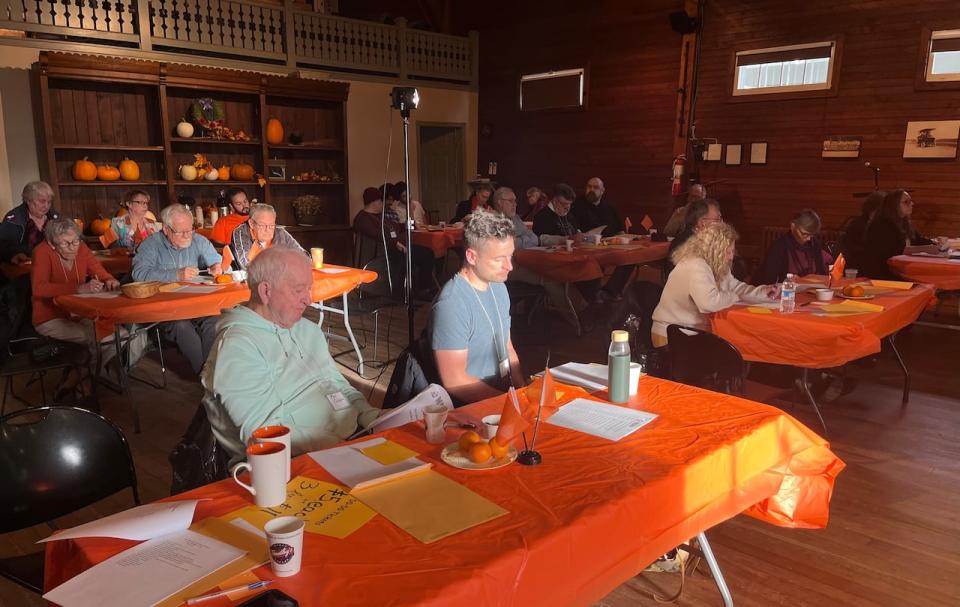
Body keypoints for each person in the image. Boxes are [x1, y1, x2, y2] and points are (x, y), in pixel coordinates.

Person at [202, 247, 379, 463]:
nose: (309, 299)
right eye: (299, 290)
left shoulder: (306, 329)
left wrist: (371, 417)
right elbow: (265, 434)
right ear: (266, 292)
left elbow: (336, 384)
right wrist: (344, 448)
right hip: (293, 463)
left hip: (350, 439)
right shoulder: (237, 346)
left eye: (309, 289)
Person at [431, 208, 524, 404]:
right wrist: (509, 404)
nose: (510, 266)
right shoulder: (452, 304)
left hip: (501, 396)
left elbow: (507, 346)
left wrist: (521, 391)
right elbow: (455, 380)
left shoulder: (498, 286)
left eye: (510, 256)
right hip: (470, 407)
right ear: (472, 257)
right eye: (499, 259)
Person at [652, 223, 778, 346]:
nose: (731, 257)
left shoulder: (714, 264)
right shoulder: (696, 265)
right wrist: (734, 296)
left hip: (688, 332)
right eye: (729, 251)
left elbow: (735, 286)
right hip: (672, 335)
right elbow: (708, 303)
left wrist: (763, 292)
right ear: (716, 249)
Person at [132, 204, 223, 374]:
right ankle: (206, 375)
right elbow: (139, 274)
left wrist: (217, 266)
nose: (188, 235)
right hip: (167, 310)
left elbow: (217, 261)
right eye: (181, 232)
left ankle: (213, 373)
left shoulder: (198, 241)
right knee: (181, 326)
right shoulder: (151, 245)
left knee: (214, 321)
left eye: (190, 230)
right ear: (166, 229)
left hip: (197, 305)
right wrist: (175, 274)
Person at [492, 187, 585, 328]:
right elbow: (507, 245)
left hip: (521, 262)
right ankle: (577, 318)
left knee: (560, 274)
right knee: (549, 277)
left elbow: (534, 238)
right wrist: (518, 241)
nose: (515, 204)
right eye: (511, 201)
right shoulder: (492, 221)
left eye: (515, 201)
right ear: (499, 203)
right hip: (504, 268)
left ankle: (583, 311)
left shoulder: (515, 219)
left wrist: (519, 240)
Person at [31, 218, 120, 364]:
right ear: (52, 244)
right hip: (49, 318)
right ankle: (87, 377)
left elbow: (98, 270)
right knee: (98, 336)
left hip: (79, 312)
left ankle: (90, 374)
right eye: (66, 243)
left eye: (76, 241)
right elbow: (38, 288)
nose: (73, 247)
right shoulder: (41, 252)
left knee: (120, 335)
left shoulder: (81, 247)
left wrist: (109, 279)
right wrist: (78, 288)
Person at [352, 186, 434, 297]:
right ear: (375, 202)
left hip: (396, 249)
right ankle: (404, 291)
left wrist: (410, 224)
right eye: (381, 201)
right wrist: (395, 243)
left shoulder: (381, 216)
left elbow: (395, 227)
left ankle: (423, 288)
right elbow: (377, 235)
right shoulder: (362, 219)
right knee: (410, 257)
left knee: (427, 252)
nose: (383, 203)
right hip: (382, 254)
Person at [862, 189, 943, 279]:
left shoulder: (904, 222)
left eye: (911, 201)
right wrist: (925, 249)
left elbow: (918, 240)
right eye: (906, 202)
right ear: (893, 205)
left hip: (900, 268)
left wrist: (935, 244)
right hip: (883, 272)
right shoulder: (881, 224)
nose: (912, 204)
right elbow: (894, 250)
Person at [755, 209, 833, 284]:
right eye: (805, 234)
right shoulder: (779, 247)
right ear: (793, 227)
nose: (809, 239)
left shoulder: (814, 244)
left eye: (811, 235)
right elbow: (769, 281)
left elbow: (821, 273)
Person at [228, 203, 304, 270]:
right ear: (251, 223)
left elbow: (303, 256)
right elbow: (245, 264)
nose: (267, 230)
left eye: (271, 225)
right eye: (262, 225)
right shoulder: (242, 232)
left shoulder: (279, 232)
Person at [0, 181, 60, 264]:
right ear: (28, 200)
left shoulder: (55, 217)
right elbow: (3, 246)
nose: (46, 206)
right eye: (42, 201)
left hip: (52, 263)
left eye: (49, 202)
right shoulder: (13, 219)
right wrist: (14, 254)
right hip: (24, 266)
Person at [665, 198, 723, 275]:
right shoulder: (682, 245)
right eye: (717, 220)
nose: (722, 224)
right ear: (702, 223)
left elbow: (738, 265)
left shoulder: (716, 239)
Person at [839, 191, 885, 271]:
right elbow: (858, 252)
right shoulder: (858, 225)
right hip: (858, 268)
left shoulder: (883, 224)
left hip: (872, 265)